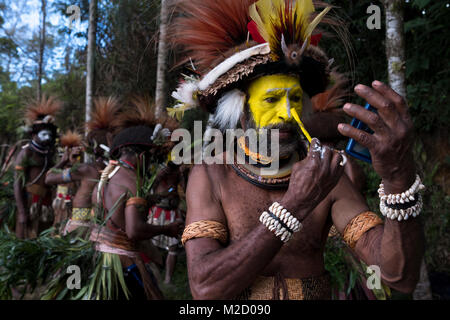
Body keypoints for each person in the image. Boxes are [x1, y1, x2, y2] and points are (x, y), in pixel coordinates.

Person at [169, 0, 425, 299]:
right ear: (241, 111)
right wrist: (295, 205)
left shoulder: (326, 175)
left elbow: (398, 277)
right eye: (272, 100)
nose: (287, 113)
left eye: (294, 99)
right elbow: (206, 288)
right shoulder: (213, 175)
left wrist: (398, 179)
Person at [90, 98, 184, 299]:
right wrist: (167, 229)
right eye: (150, 158)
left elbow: (114, 211)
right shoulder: (132, 180)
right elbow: (134, 231)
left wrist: (150, 199)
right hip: (124, 262)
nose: (150, 164)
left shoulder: (107, 176)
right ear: (142, 157)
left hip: (101, 255)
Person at [45, 97, 120, 236]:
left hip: (80, 228)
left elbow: (49, 178)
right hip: (104, 231)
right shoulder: (120, 170)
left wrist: (62, 161)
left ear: (93, 148)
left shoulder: (87, 169)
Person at [14, 95, 60, 239]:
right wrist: (22, 211)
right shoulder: (26, 152)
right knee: (26, 239)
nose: (48, 138)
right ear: (34, 135)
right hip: (29, 202)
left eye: (50, 135)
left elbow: (52, 174)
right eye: (44, 134)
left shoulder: (50, 152)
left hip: (45, 203)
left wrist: (64, 162)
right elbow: (17, 183)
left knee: (43, 239)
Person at [148, 161, 185, 285]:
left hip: (173, 211)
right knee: (152, 244)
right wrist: (158, 177)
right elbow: (149, 188)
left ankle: (168, 280)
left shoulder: (178, 172)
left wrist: (182, 175)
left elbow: (183, 188)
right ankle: (152, 276)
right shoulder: (159, 170)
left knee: (173, 246)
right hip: (159, 211)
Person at [49, 130, 83, 231]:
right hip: (60, 205)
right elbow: (49, 177)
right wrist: (63, 162)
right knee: (58, 225)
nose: (76, 158)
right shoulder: (60, 170)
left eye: (78, 156)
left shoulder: (82, 170)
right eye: (74, 156)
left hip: (75, 206)